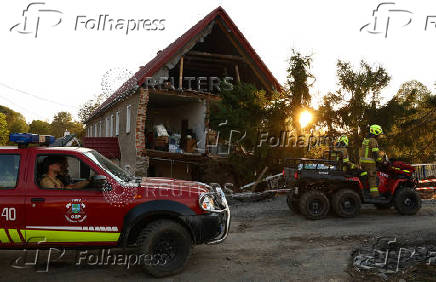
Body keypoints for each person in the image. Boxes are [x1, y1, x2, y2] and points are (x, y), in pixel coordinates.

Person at [359, 124, 383, 198]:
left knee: (365, 178)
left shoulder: (365, 140)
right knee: (372, 178)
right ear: (375, 132)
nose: (379, 136)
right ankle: (375, 196)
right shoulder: (373, 140)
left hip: (362, 162)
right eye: (379, 134)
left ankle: (366, 192)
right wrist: (380, 160)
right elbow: (375, 152)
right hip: (370, 163)